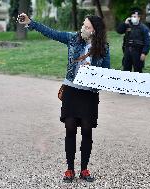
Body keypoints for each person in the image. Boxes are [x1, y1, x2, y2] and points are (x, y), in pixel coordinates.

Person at [17, 13, 110, 183]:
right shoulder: (72, 39)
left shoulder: (103, 47)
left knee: (87, 130)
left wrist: (94, 73)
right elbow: (51, 32)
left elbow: (107, 72)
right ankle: (69, 169)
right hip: (71, 90)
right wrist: (31, 23)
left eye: (88, 27)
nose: (83, 28)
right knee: (70, 128)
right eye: (84, 24)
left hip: (89, 94)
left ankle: (84, 169)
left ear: (95, 31)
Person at [117, 8, 150, 73]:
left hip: (138, 52)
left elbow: (148, 41)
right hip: (127, 51)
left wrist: (144, 53)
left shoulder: (144, 28)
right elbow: (119, 31)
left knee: (138, 71)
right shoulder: (128, 25)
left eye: (135, 16)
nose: (133, 18)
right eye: (132, 16)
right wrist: (125, 23)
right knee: (126, 70)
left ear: (139, 18)